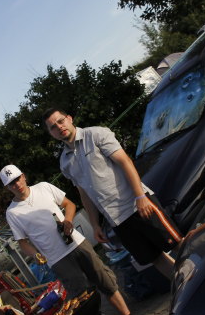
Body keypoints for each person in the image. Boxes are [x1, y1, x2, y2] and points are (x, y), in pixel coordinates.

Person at [0, 164, 152, 315]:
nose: (17, 184)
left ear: (23, 176)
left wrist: (68, 221)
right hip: (57, 259)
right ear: (7, 188)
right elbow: (22, 242)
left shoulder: (44, 187)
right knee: (83, 299)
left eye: (17, 179)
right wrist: (35, 254)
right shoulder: (12, 213)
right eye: (11, 183)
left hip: (77, 244)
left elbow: (69, 204)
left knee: (105, 280)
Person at [41, 109, 178, 281]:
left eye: (61, 121)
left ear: (69, 118)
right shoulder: (64, 162)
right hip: (117, 220)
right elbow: (84, 193)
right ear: (51, 133)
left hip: (137, 205)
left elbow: (125, 162)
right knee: (154, 258)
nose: (59, 127)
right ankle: (188, 286)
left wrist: (140, 197)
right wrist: (95, 225)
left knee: (177, 244)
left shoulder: (96, 134)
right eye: (53, 127)